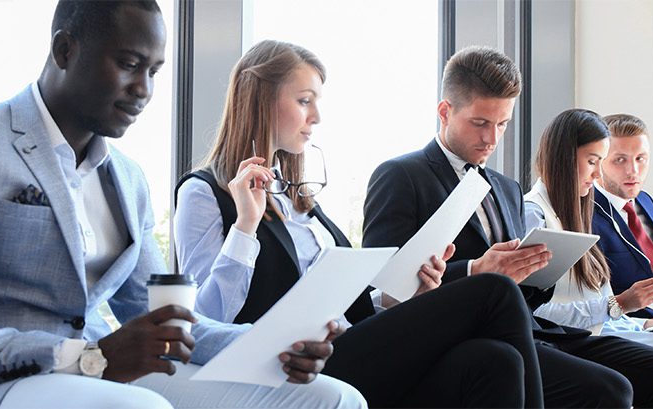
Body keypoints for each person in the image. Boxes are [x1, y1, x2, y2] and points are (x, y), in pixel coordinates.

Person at [0, 2, 363, 407]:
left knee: (331, 398)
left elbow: (168, 319)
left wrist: (271, 344)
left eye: (153, 72)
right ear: (65, 50)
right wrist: (88, 358)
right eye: (129, 64)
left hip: (96, 376)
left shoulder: (128, 180)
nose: (144, 90)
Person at [173, 40, 540, 407]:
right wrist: (245, 227)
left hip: (347, 343)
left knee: (496, 361)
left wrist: (401, 298)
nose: (316, 116)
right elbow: (203, 319)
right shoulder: (204, 192)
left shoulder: (298, 197)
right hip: (298, 360)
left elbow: (349, 308)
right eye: (304, 101)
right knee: (495, 290)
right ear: (261, 100)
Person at [363, 46, 653, 408]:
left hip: (534, 331)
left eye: (502, 124)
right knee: (610, 390)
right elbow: (378, 287)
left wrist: (537, 271)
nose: (492, 138)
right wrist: (474, 270)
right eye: (480, 123)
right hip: (464, 340)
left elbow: (526, 295)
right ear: (445, 112)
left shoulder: (506, 189)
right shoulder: (402, 176)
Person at [522, 109, 653, 358]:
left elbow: (605, 308)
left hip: (618, 329)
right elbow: (535, 312)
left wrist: (645, 324)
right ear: (564, 160)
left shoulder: (576, 210)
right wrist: (621, 304)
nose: (598, 174)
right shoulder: (537, 214)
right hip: (578, 341)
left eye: (641, 158)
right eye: (593, 162)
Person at [593, 114, 653, 327]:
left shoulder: (645, 201)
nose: (633, 171)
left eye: (640, 159)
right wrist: (649, 323)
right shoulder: (584, 215)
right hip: (631, 327)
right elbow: (589, 304)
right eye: (620, 160)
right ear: (598, 162)